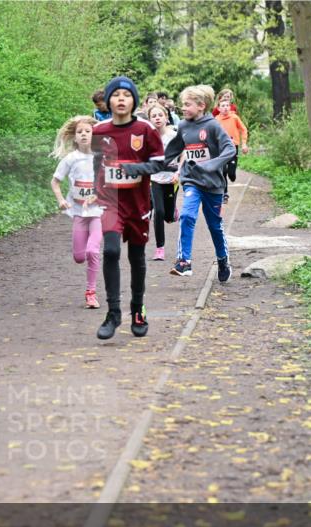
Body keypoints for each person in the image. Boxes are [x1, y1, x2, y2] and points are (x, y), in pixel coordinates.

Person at [90, 76, 165, 340]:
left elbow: (159, 163)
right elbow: (97, 165)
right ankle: (113, 313)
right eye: (116, 95)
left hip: (138, 204)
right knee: (110, 251)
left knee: (136, 258)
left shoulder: (145, 130)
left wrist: (135, 168)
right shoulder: (99, 131)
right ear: (108, 100)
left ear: (134, 100)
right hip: (110, 203)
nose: (121, 99)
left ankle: (137, 309)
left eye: (126, 95)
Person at [169, 85, 236, 283]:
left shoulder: (213, 126)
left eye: (187, 104)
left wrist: (211, 165)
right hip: (191, 181)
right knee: (187, 215)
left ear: (201, 106)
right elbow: (174, 148)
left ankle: (223, 260)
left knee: (214, 226)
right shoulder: (182, 126)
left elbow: (230, 149)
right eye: (182, 104)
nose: (183, 108)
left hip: (213, 184)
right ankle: (184, 261)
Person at [51, 115, 103, 309]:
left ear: (94, 135)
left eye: (87, 131)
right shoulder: (70, 159)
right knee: (79, 256)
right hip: (79, 212)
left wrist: (98, 194)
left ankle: (91, 292)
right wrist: (61, 200)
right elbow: (55, 182)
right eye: (79, 132)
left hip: (98, 212)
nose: (83, 135)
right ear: (74, 137)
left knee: (92, 251)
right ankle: (87, 267)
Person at [146, 104, 178, 261]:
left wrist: (179, 172)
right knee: (158, 212)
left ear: (166, 117)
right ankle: (160, 248)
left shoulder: (174, 136)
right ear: (150, 120)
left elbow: (185, 154)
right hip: (155, 179)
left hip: (171, 178)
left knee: (169, 216)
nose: (157, 118)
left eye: (160, 115)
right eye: (154, 116)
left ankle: (173, 212)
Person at [215, 97, 249, 206]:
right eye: (223, 106)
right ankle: (225, 194)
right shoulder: (216, 120)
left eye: (227, 105)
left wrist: (244, 143)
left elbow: (243, 129)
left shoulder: (234, 117)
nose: (225, 108)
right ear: (218, 108)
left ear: (230, 107)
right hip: (220, 148)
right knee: (223, 171)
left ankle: (232, 173)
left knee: (231, 174)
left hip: (233, 146)